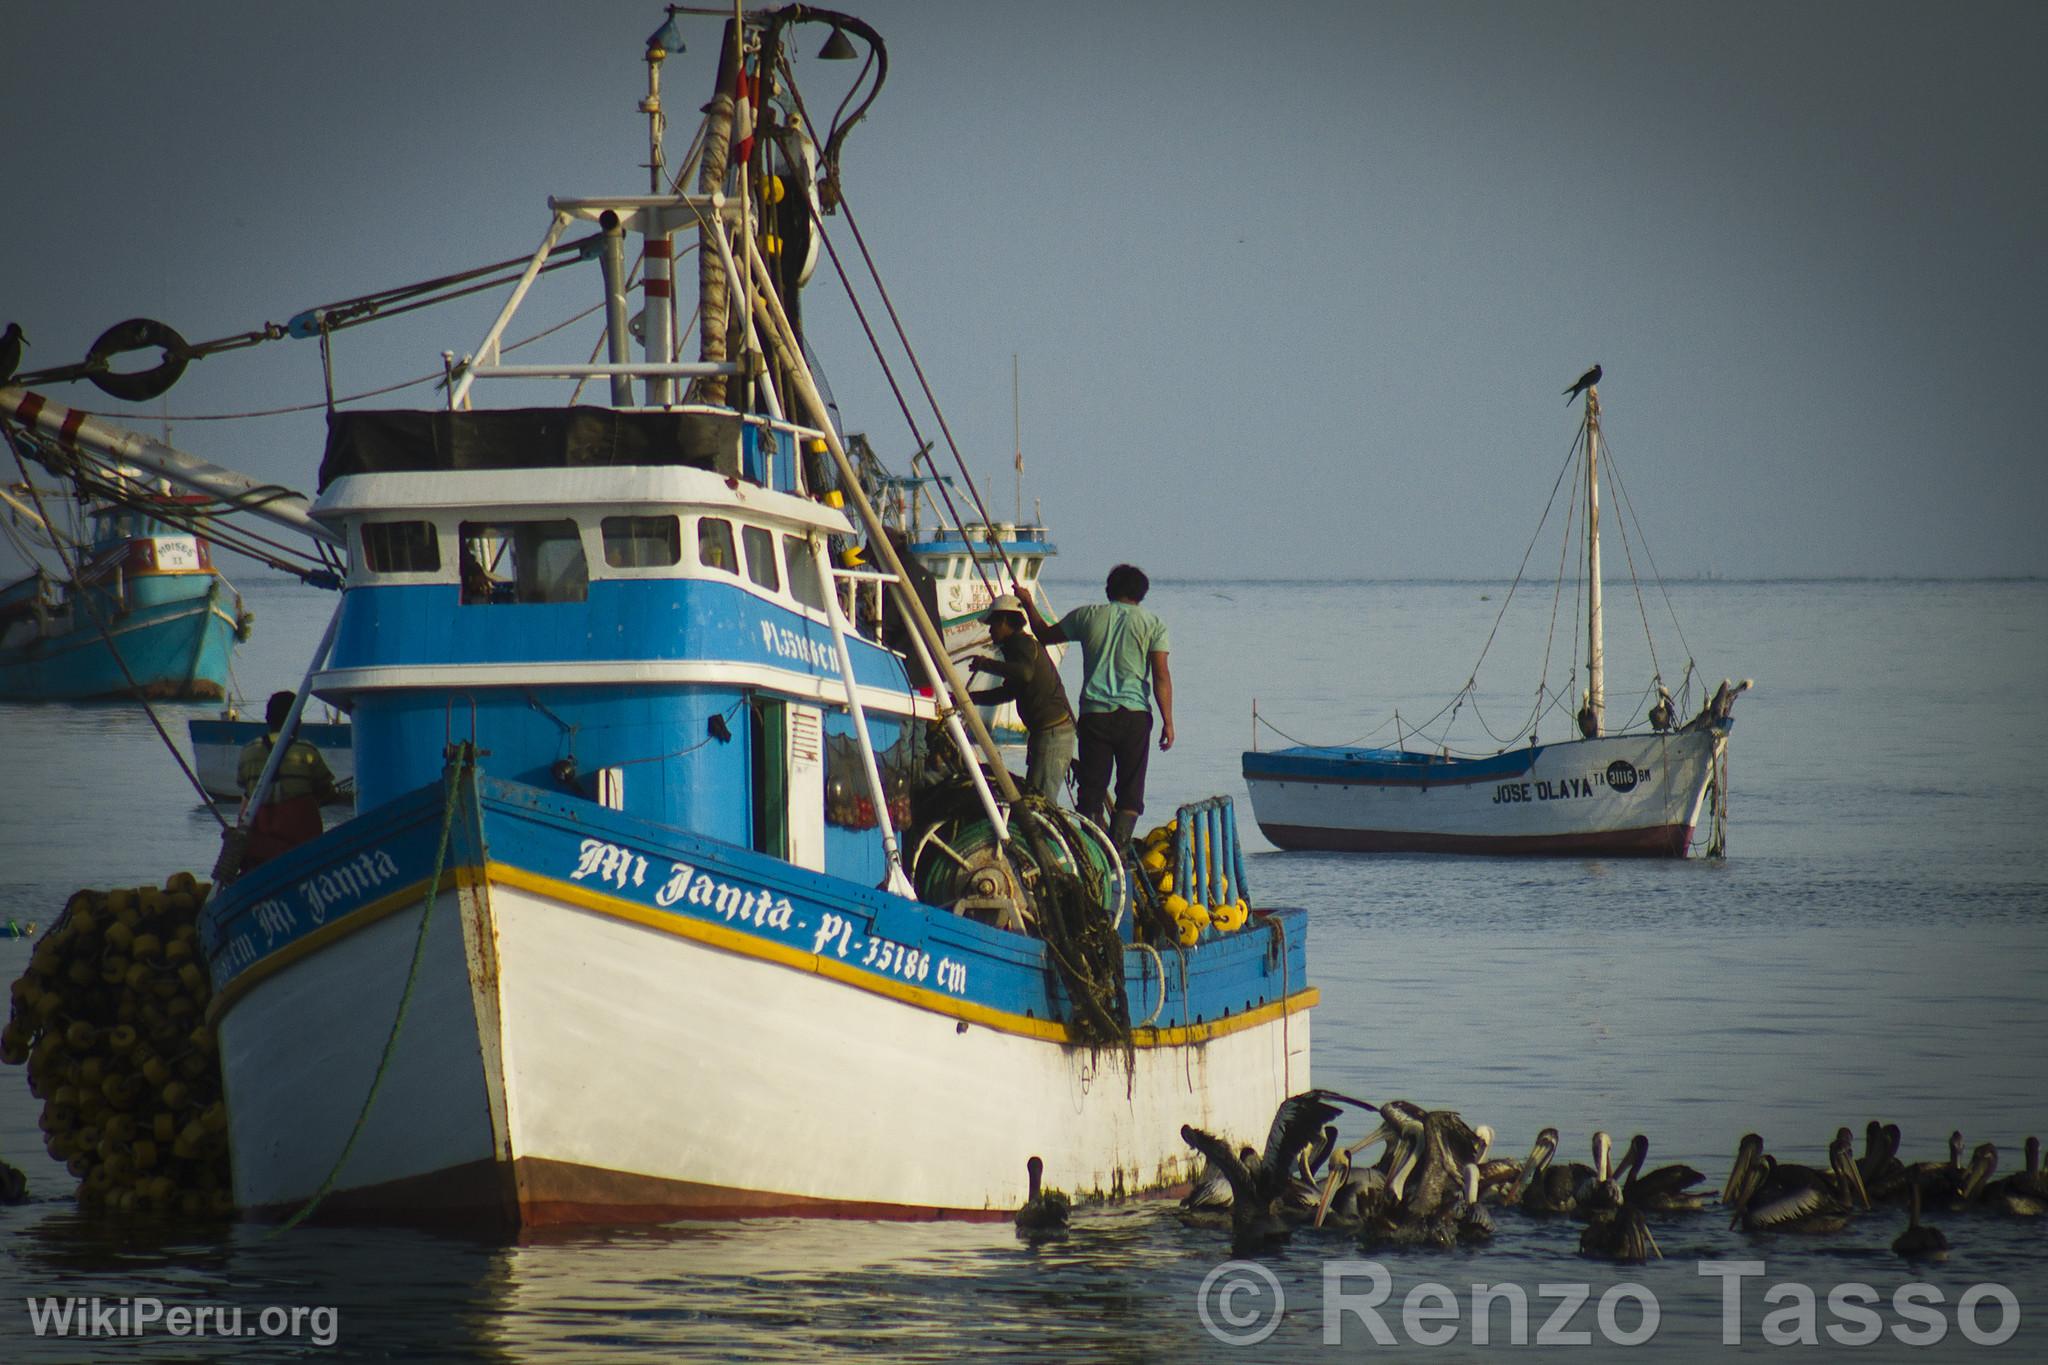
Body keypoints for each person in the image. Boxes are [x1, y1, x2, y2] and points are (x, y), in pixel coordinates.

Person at [1021, 564, 1173, 848]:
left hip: (1095, 716)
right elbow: (1161, 676)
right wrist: (1168, 721)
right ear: (1142, 594)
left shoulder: (1087, 616)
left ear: (1109, 589)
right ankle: (1119, 850)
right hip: (1135, 716)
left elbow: (1044, 634)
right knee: (1130, 791)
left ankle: (1092, 850)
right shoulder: (1153, 624)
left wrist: (1029, 604)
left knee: (1091, 791)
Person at [967, 594, 1076, 803]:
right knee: (1035, 797)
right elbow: (1008, 692)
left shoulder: (1019, 643)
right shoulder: (1017, 648)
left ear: (1005, 621)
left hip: (1053, 735)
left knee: (1041, 801)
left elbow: (1024, 673)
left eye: (992, 625)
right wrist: (970, 698)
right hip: (1048, 734)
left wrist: (985, 664)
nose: (990, 631)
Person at [236, 691, 340, 868]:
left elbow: (244, 789)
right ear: (296, 720)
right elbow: (326, 792)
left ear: (267, 719)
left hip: (258, 853)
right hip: (302, 849)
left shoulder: (248, 751)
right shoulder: (307, 751)